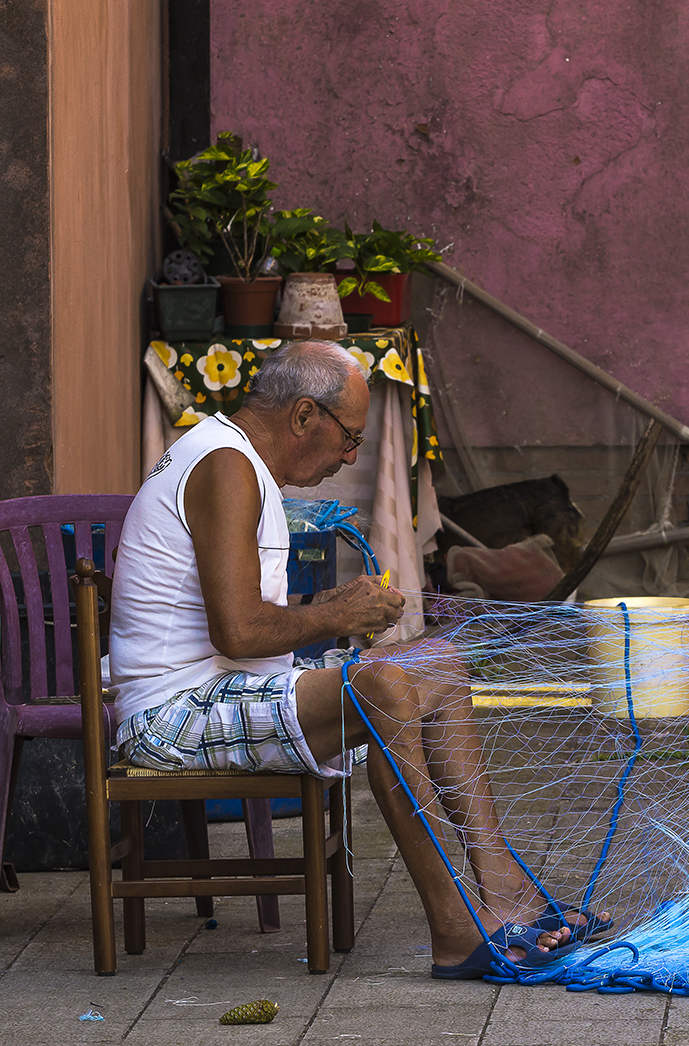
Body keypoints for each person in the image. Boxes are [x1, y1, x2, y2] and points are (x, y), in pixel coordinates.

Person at [109, 341, 601, 977]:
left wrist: (330, 605)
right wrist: (337, 615)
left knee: (440, 665)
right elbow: (238, 631)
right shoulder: (225, 466)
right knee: (384, 688)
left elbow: (237, 618)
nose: (349, 456)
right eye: (349, 437)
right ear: (303, 415)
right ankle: (455, 930)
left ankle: (505, 887)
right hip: (171, 717)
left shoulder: (232, 457)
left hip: (223, 692)